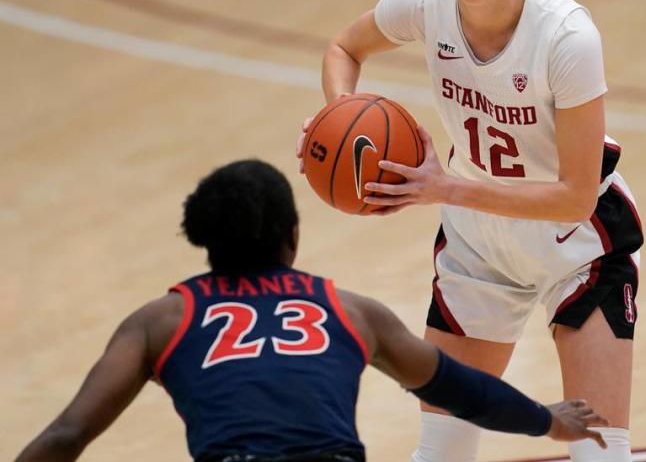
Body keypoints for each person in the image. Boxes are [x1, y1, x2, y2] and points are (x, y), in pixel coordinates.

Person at [301, 0, 644, 462]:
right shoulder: (425, 1)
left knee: (600, 452)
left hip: (577, 246)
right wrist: (340, 117)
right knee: (440, 454)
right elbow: (343, 49)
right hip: (477, 242)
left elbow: (573, 196)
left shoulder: (567, 37)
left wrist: (444, 187)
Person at [15, 159, 609, 462]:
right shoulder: (349, 312)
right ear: (292, 237)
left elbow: (68, 434)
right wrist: (549, 420)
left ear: (204, 241)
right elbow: (464, 390)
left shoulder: (161, 321)